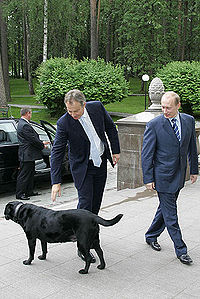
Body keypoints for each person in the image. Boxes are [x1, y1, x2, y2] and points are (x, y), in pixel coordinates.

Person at [50, 89, 120, 262]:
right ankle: (83, 247)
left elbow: (111, 127)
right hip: (82, 168)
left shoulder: (97, 108)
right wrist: (56, 181)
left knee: (95, 204)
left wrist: (115, 151)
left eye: (76, 111)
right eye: (69, 111)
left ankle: (91, 236)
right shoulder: (64, 122)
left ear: (84, 104)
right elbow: (57, 151)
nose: (73, 114)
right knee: (85, 205)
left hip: (100, 164)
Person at [141, 91, 198, 265]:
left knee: (164, 210)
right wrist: (148, 178)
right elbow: (146, 154)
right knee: (171, 215)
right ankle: (181, 250)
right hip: (162, 177)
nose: (165, 111)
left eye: (168, 108)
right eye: (163, 107)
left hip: (179, 174)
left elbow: (191, 147)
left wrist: (194, 170)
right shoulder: (154, 125)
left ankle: (151, 235)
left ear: (178, 106)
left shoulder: (188, 120)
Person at [16, 108, 49, 200]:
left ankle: (29, 191)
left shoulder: (21, 123)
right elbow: (32, 139)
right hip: (27, 154)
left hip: (27, 154)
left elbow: (31, 138)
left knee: (30, 173)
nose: (31, 115)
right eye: (30, 113)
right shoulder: (25, 125)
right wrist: (42, 145)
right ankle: (20, 193)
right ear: (28, 113)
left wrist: (41, 143)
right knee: (24, 174)